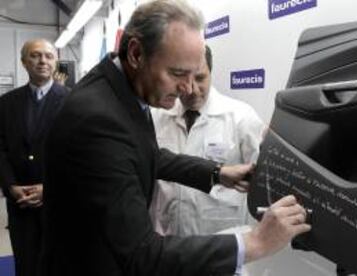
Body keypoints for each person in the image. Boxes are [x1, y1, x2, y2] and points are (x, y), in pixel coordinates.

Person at [40, 1, 311, 276]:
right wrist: (253, 243)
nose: (188, 89)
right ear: (135, 54)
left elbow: (147, 155)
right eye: (178, 74)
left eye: (196, 75)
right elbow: (140, 254)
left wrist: (218, 173)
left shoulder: (125, 93)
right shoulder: (98, 119)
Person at [150, 45, 265, 236]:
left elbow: (261, 184)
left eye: (200, 78)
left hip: (220, 242)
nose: (192, 89)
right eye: (182, 77)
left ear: (211, 72)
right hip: (165, 240)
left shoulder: (241, 117)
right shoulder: (157, 116)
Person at [0, 39, 69, 276]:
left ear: (55, 62)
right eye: (35, 55)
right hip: (20, 205)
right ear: (23, 62)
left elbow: (78, 155)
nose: (42, 61)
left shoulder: (74, 102)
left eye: (48, 56)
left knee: (59, 264)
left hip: (58, 204)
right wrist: (10, 186)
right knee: (26, 265)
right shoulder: (6, 103)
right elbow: (0, 151)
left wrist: (49, 187)